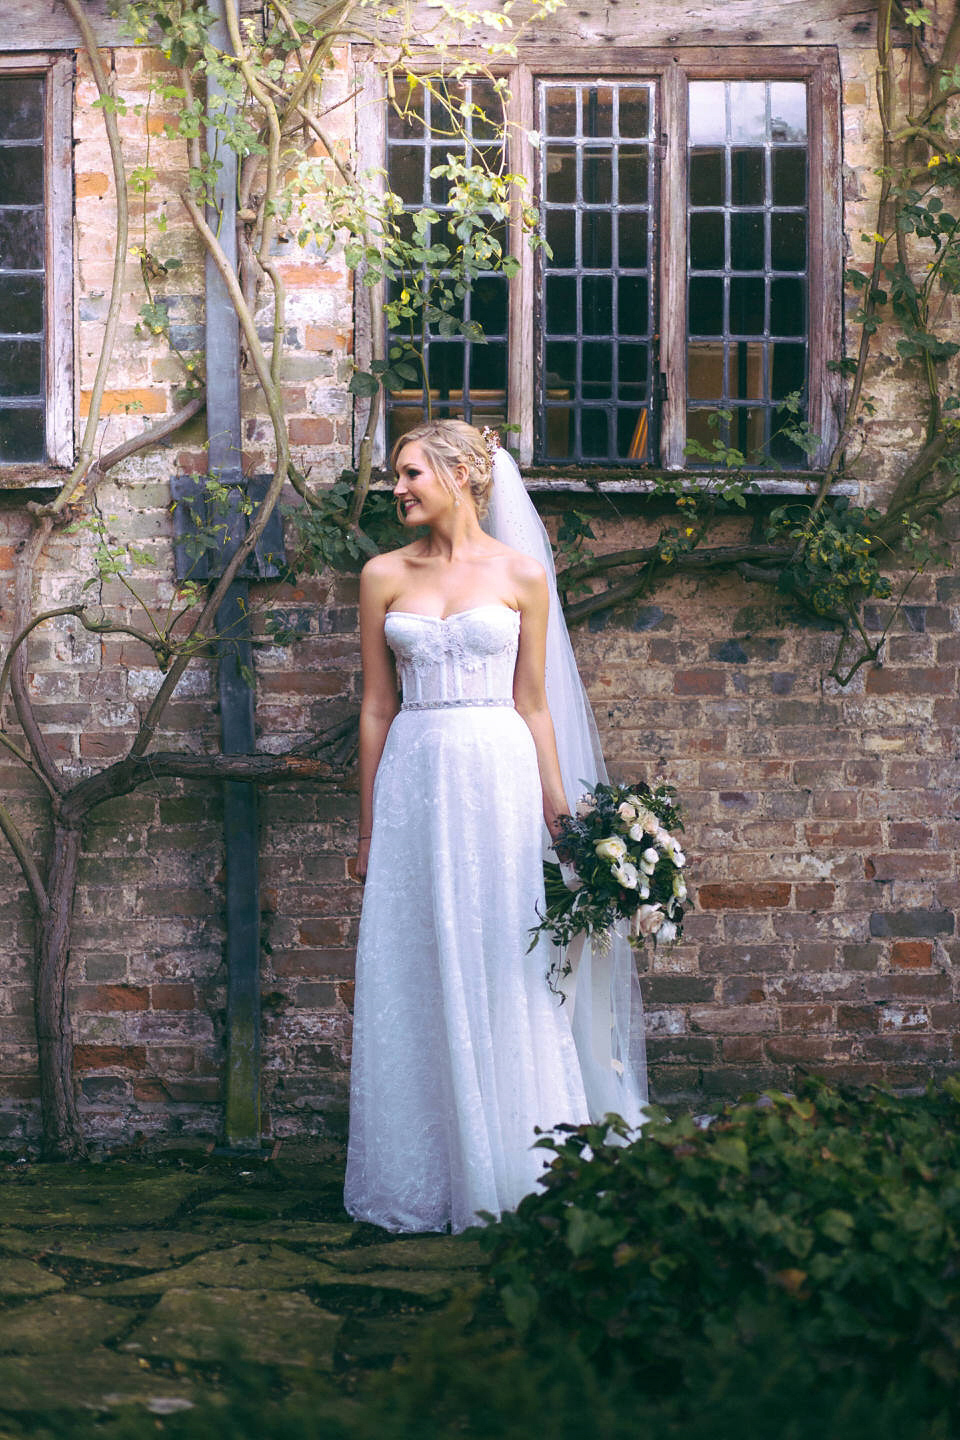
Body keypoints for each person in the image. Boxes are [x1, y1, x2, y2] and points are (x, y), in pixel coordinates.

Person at [344, 420, 646, 1234]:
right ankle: (425, 1175)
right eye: (395, 477)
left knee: (508, 957)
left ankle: (521, 1161)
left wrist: (562, 820)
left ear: (462, 476)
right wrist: (369, 832)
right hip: (416, 769)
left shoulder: (520, 574)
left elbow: (535, 704)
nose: (396, 489)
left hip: (500, 773)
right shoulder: (380, 576)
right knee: (417, 957)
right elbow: (376, 707)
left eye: (409, 474)